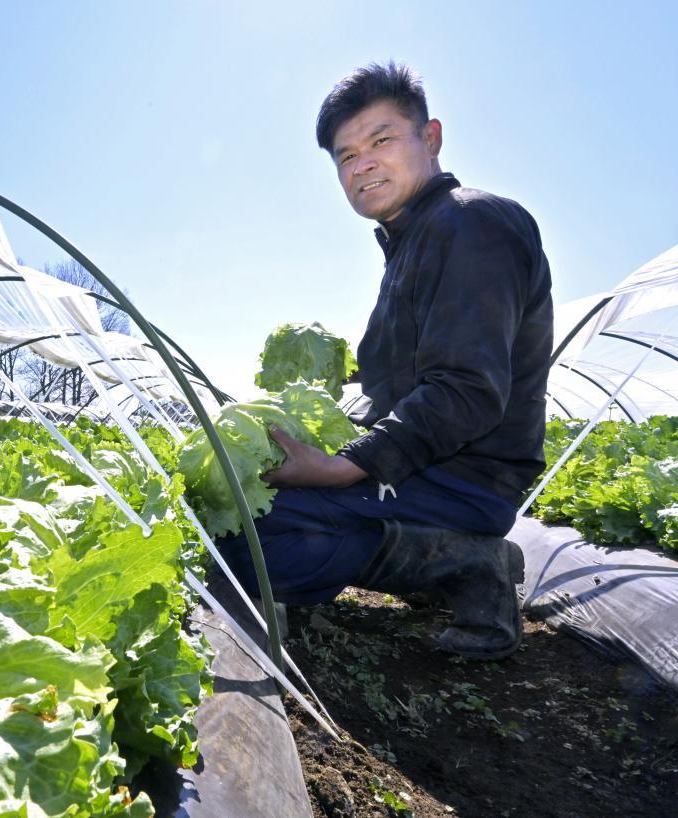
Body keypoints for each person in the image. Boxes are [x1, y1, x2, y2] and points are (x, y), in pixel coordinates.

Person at [217, 62, 553, 660]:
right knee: (233, 504)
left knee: (240, 534)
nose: (362, 164)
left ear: (431, 138)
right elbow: (409, 371)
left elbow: (467, 390)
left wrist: (346, 466)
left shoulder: (471, 224)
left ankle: (470, 563)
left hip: (467, 480)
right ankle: (424, 551)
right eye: (345, 157)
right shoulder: (413, 241)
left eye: (380, 141)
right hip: (425, 471)